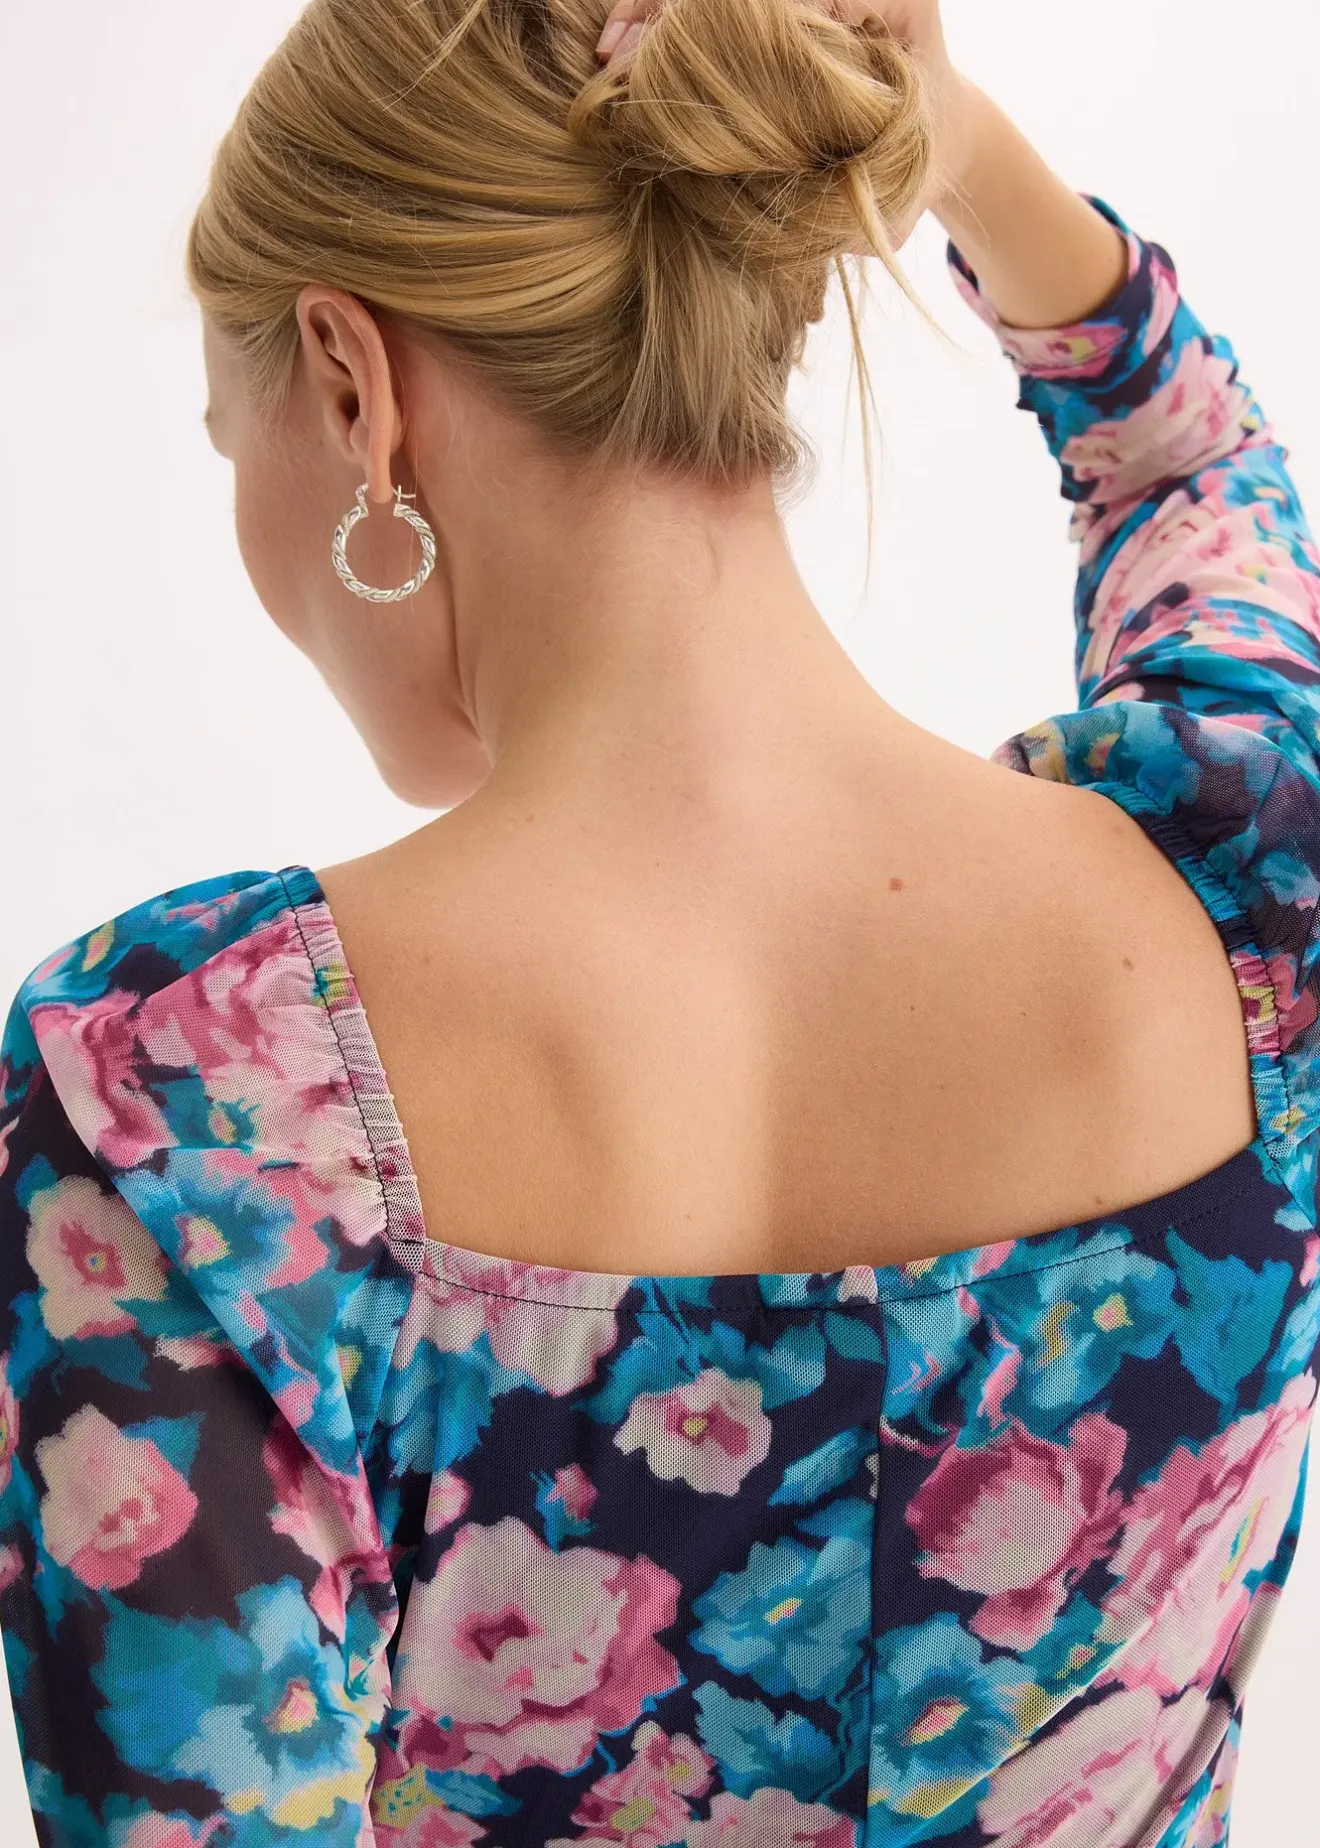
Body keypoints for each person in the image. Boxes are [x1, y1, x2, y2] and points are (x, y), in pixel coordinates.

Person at [2, 0, 1318, 1840]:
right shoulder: (1256, 885)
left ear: (352, 383)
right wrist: (954, 141)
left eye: (238, 440)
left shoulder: (179, 1103)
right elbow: (1191, 468)